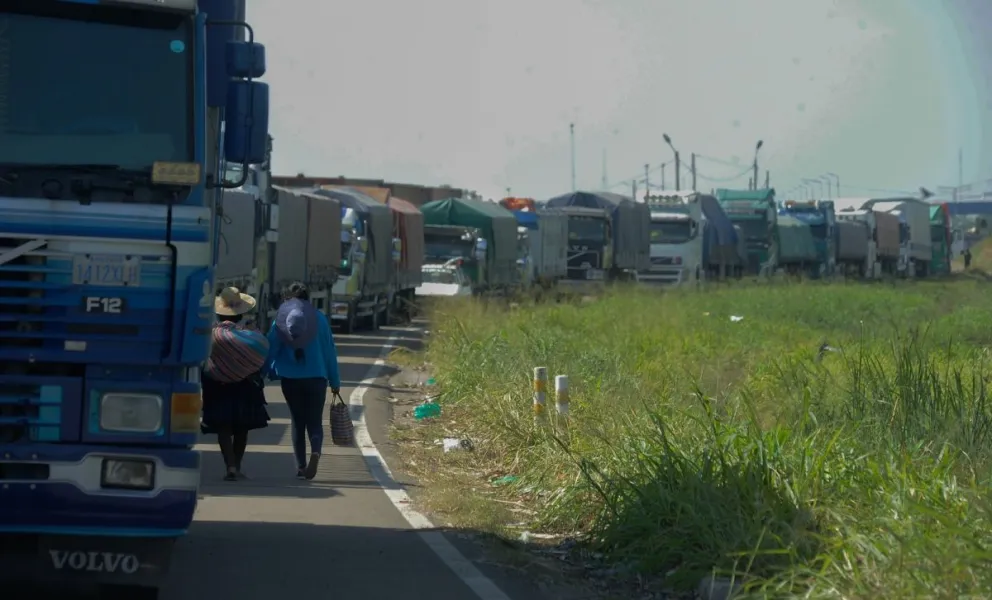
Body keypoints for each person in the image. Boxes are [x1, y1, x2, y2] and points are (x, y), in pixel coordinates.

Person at [264, 282, 341, 480]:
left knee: (297, 421)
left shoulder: (280, 320)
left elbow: (270, 348)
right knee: (315, 421)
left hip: (291, 379)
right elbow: (329, 352)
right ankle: (315, 451)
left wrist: (264, 372)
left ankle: (300, 466)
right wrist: (335, 380)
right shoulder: (321, 319)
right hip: (317, 377)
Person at [202, 287, 271, 482]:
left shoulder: (212, 333)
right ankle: (237, 467)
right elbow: (262, 349)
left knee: (223, 427)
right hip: (245, 385)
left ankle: (230, 466)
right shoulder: (250, 332)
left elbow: (203, 357)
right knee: (242, 428)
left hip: (218, 385)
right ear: (241, 312)